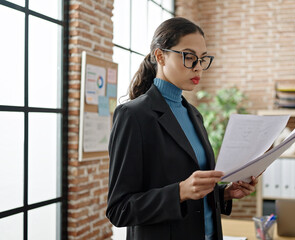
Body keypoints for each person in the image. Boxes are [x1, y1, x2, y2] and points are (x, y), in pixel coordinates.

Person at [106, 17, 258, 240]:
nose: (198, 67)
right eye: (189, 57)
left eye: (203, 59)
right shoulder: (133, 116)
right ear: (160, 56)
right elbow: (119, 210)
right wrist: (180, 192)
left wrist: (224, 194)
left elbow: (194, 189)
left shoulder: (193, 114)